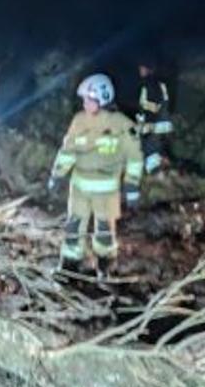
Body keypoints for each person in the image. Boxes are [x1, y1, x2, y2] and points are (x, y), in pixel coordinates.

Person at [49, 73, 144, 275]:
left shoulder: (122, 125)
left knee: (104, 232)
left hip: (106, 191)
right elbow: (68, 151)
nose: (85, 103)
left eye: (89, 100)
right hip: (79, 188)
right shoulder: (79, 121)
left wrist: (132, 185)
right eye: (84, 99)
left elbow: (134, 157)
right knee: (73, 228)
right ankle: (68, 268)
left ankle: (106, 269)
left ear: (102, 99)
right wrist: (57, 175)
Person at [135, 64, 174, 174]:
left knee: (150, 153)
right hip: (160, 129)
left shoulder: (150, 84)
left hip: (153, 129)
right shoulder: (158, 83)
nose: (140, 69)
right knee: (155, 153)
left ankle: (157, 175)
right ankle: (161, 171)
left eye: (142, 67)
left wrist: (144, 127)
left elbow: (152, 108)